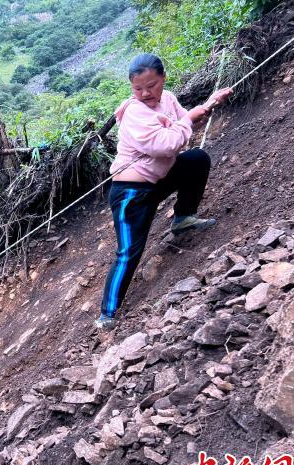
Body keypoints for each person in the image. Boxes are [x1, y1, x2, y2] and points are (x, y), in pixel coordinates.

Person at [96, 53, 233, 330]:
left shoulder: (168, 98)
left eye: (152, 85)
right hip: (130, 194)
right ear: (131, 87)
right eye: (138, 88)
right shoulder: (134, 112)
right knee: (129, 252)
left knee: (196, 159)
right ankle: (106, 315)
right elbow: (167, 145)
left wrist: (208, 105)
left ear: (163, 79)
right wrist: (189, 119)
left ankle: (183, 219)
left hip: (157, 180)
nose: (146, 93)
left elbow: (185, 123)